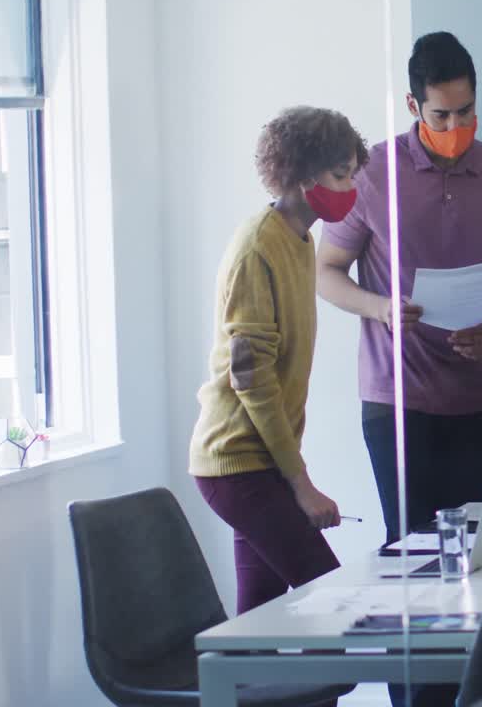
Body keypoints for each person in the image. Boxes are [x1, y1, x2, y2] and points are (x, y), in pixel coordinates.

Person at [316, 31, 482, 707]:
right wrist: (380, 308)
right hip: (395, 400)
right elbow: (326, 272)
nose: (456, 127)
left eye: (466, 113)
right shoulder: (373, 173)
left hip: (474, 394)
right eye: (441, 115)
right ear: (414, 105)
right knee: (409, 564)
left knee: (471, 565)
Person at [190, 106, 366, 615]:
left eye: (353, 173)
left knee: (259, 624)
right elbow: (251, 377)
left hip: (262, 464)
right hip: (236, 464)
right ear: (304, 174)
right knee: (332, 603)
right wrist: (302, 485)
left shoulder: (300, 239)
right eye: (340, 174)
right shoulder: (256, 247)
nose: (350, 187)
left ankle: (246, 693)